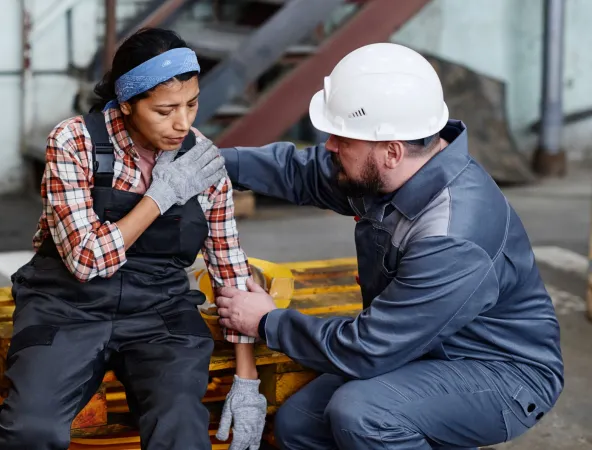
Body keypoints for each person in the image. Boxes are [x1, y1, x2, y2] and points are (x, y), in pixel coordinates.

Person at [214, 42, 564, 449]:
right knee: (300, 425)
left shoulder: (452, 237)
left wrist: (266, 321)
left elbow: (368, 349)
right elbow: (301, 172)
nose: (329, 146)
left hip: (501, 372)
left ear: (392, 151)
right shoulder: (389, 170)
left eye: (342, 140)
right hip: (423, 345)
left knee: (363, 414)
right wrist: (214, 162)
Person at [0, 28, 267, 450]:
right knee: (31, 431)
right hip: (66, 307)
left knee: (181, 428)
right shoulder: (75, 142)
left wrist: (246, 379)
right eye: (165, 111)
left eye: (192, 104)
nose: (182, 123)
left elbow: (228, 264)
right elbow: (86, 261)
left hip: (159, 312)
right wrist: (160, 196)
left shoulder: (200, 160)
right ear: (127, 104)